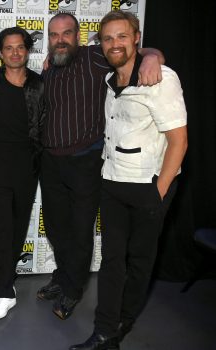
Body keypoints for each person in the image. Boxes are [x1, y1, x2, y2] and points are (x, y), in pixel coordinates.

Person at [70, 11, 187, 349]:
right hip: (113, 181)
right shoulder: (110, 80)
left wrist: (159, 193)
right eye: (107, 39)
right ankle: (105, 329)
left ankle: (123, 322)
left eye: (122, 36)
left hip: (149, 186)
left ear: (136, 37)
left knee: (139, 262)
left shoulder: (161, 77)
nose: (114, 44)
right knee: (111, 261)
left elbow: (180, 141)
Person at [37, 13, 164, 320]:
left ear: (78, 36)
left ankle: (73, 290)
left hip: (86, 161)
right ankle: (63, 275)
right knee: (56, 227)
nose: (61, 39)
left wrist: (153, 58)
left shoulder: (95, 56)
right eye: (54, 35)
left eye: (67, 33)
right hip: (51, 161)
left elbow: (133, 52)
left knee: (81, 230)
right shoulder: (50, 66)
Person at [0, 27, 46, 320]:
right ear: (0, 52)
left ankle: (8, 280)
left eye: (20, 47)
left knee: (18, 228)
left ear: (27, 50)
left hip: (28, 167)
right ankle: (3, 291)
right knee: (2, 227)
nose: (15, 52)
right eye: (9, 47)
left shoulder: (40, 84)